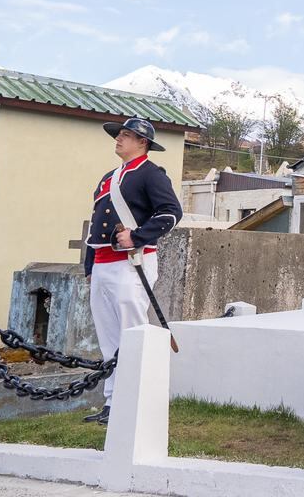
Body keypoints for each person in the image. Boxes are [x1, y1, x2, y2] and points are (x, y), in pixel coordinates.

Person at [81, 117, 182, 425]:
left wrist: (136, 237)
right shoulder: (108, 178)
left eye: (127, 135)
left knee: (131, 333)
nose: (119, 139)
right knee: (108, 338)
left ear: (143, 143)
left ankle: (133, 401)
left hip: (131, 263)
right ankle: (112, 403)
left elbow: (171, 213)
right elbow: (97, 221)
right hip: (102, 265)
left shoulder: (151, 174)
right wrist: (89, 265)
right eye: (119, 134)